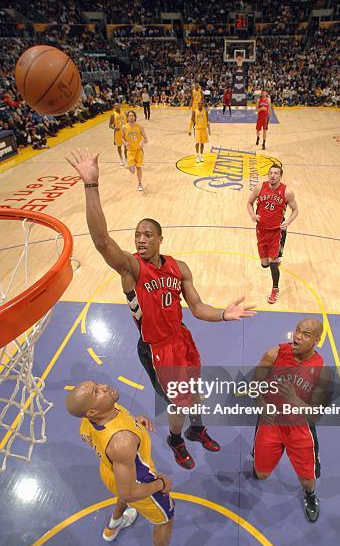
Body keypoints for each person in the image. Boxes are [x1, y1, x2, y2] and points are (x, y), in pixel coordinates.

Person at [65, 149, 256, 470]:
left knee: (194, 392)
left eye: (147, 235)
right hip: (155, 349)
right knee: (178, 402)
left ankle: (196, 429)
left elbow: (196, 307)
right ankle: (176, 439)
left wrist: (223, 314)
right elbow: (101, 242)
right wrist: (91, 185)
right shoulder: (132, 269)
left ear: (160, 240)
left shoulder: (179, 267)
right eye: (137, 235)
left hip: (181, 339)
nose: (140, 240)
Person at [65, 381, 185, 546]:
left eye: (97, 385)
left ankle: (115, 523)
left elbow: (113, 432)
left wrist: (135, 424)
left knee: (122, 489)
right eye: (96, 391)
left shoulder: (92, 418)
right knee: (165, 519)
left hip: (109, 471)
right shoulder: (122, 442)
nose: (104, 386)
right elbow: (128, 492)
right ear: (92, 411)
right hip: (139, 482)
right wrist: (161, 485)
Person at [252, 318, 331, 523]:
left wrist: (294, 401)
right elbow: (254, 383)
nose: (297, 336)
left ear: (316, 340)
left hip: (299, 427)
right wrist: (261, 404)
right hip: (271, 422)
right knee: (261, 474)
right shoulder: (274, 354)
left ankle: (310, 496)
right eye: (297, 330)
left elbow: (315, 414)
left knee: (307, 480)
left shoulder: (321, 369)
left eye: (305, 334)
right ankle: (259, 449)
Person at [247, 164, 298, 304]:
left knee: (273, 264)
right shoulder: (259, 188)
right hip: (261, 230)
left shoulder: (287, 192)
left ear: (280, 176)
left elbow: (295, 210)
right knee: (265, 264)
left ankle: (275, 289)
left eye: (276, 173)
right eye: (270, 173)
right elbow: (249, 203)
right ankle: (274, 258)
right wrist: (252, 215)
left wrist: (287, 222)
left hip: (277, 232)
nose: (273, 175)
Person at [122, 110, 148, 192]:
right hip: (130, 151)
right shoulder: (124, 127)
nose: (131, 117)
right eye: (129, 115)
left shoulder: (140, 127)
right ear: (127, 117)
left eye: (132, 115)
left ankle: (140, 183)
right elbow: (122, 138)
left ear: (135, 117)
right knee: (132, 170)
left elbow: (146, 139)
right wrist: (125, 142)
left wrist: (142, 141)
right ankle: (129, 165)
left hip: (139, 151)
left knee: (138, 168)